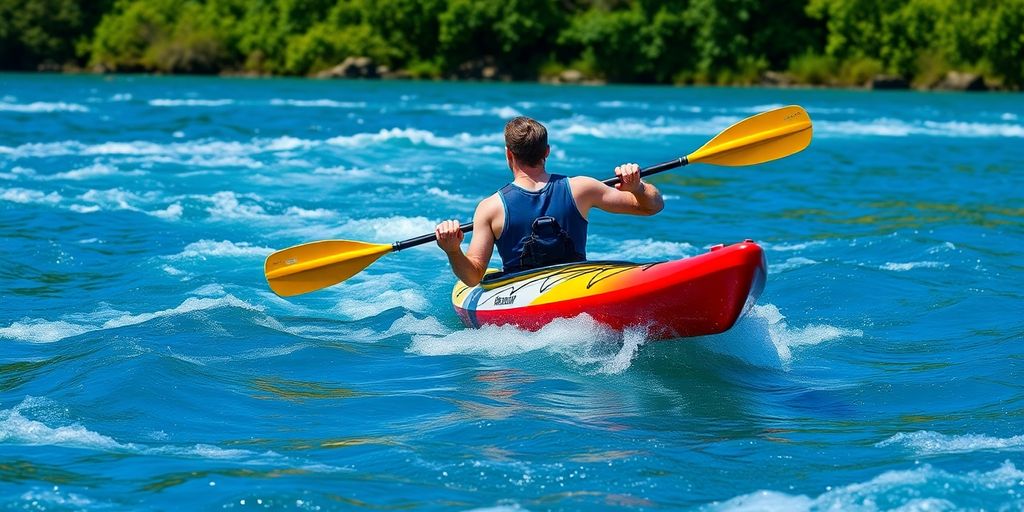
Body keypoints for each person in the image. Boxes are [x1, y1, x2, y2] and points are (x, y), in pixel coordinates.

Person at [435, 116, 664, 286]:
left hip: (526, 296)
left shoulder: (490, 208)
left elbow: (473, 277)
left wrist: (453, 250)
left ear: (508, 154)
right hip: (577, 283)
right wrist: (638, 188)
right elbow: (652, 206)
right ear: (547, 152)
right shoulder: (582, 188)